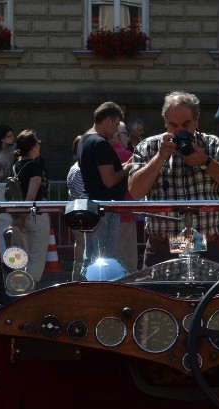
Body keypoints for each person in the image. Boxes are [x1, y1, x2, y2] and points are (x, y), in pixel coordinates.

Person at [129, 90, 219, 267]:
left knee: (211, 295)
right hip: (162, 249)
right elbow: (135, 192)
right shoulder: (148, 147)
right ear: (164, 120)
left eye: (186, 124)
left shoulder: (212, 146)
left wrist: (206, 162)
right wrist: (160, 157)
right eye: (173, 125)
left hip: (208, 248)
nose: (180, 131)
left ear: (197, 119)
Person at [78, 102, 132, 266]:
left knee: (91, 256)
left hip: (92, 207)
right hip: (104, 209)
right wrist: (127, 168)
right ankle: (101, 289)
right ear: (108, 120)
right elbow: (109, 181)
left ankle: (90, 286)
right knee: (105, 260)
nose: (116, 130)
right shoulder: (100, 143)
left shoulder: (84, 141)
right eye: (116, 124)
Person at [8, 130, 51, 282]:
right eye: (37, 142)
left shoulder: (16, 165)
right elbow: (31, 196)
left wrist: (18, 218)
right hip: (34, 215)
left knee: (19, 258)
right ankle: (29, 293)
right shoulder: (35, 166)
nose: (39, 145)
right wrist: (24, 216)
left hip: (17, 214)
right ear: (33, 147)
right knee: (36, 259)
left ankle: (17, 289)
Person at [109, 122, 139, 272]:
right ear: (120, 135)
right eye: (126, 134)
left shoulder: (103, 155)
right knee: (128, 260)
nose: (128, 138)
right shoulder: (129, 156)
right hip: (126, 214)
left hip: (107, 215)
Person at [66, 135, 85, 280]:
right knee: (81, 251)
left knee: (80, 250)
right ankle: (78, 280)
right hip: (81, 216)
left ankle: (77, 279)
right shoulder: (79, 170)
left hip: (77, 214)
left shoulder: (76, 167)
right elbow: (81, 195)